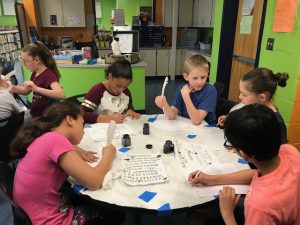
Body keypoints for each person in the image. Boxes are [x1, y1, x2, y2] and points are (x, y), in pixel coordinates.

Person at [11, 102, 125, 225]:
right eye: (82, 124)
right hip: (51, 220)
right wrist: (108, 156)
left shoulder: (44, 136)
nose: (84, 131)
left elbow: (60, 146)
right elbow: (94, 182)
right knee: (115, 212)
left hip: (32, 214)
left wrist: (78, 150)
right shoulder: (55, 140)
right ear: (70, 119)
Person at [193, 104, 300, 225]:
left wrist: (227, 213)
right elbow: (258, 173)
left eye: (231, 146)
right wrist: (211, 179)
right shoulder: (289, 151)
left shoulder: (259, 206)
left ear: (243, 154)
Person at [217, 68, 288, 144]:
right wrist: (228, 119)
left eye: (244, 94)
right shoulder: (251, 107)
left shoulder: (276, 124)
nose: (240, 97)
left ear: (262, 97)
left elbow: (278, 152)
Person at [155, 54, 217, 125]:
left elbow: (196, 121)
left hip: (207, 130)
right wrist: (164, 104)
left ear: (207, 74)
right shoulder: (181, 89)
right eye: (195, 78)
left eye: (203, 77)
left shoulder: (210, 90)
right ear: (186, 76)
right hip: (188, 127)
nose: (199, 82)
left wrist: (185, 95)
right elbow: (171, 116)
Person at [11, 41, 65, 119]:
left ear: (36, 60)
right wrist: (9, 87)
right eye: (22, 61)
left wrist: (36, 88)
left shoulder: (48, 74)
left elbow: (61, 94)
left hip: (45, 117)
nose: (23, 64)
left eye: (25, 61)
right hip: (36, 114)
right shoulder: (35, 73)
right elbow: (26, 91)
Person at [82, 59, 140, 123]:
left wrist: (130, 111)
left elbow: (129, 107)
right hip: (100, 130)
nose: (121, 90)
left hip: (121, 129)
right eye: (118, 86)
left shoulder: (126, 92)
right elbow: (82, 114)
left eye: (125, 87)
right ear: (110, 77)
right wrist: (108, 118)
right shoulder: (98, 90)